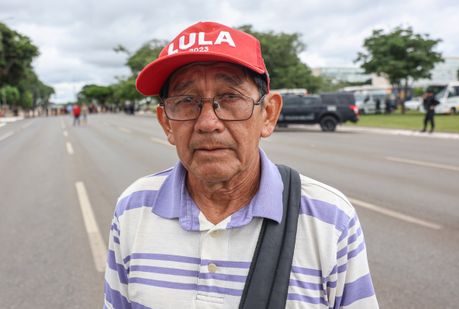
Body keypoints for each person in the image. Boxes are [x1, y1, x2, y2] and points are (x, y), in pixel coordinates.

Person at [103, 21, 378, 309]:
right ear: (166, 123)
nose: (208, 123)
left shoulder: (330, 219)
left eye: (230, 97)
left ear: (268, 114)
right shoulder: (134, 209)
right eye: (187, 100)